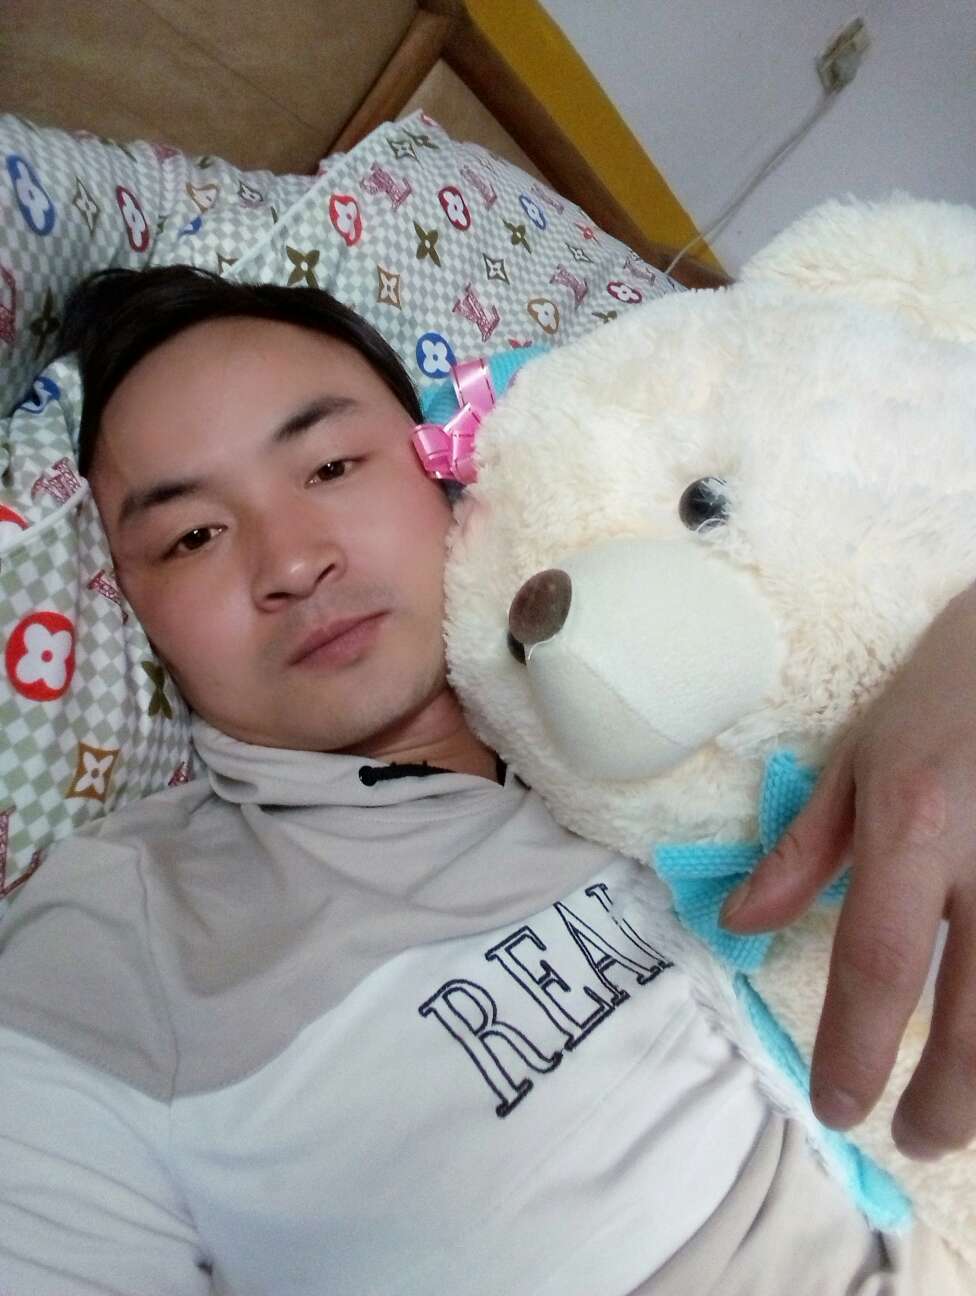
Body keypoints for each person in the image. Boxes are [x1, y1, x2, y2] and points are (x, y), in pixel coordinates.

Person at [0, 266, 973, 1295]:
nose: (290, 562)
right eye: (192, 536)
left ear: (443, 464)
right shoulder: (116, 953)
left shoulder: (686, 621)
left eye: (330, 466)